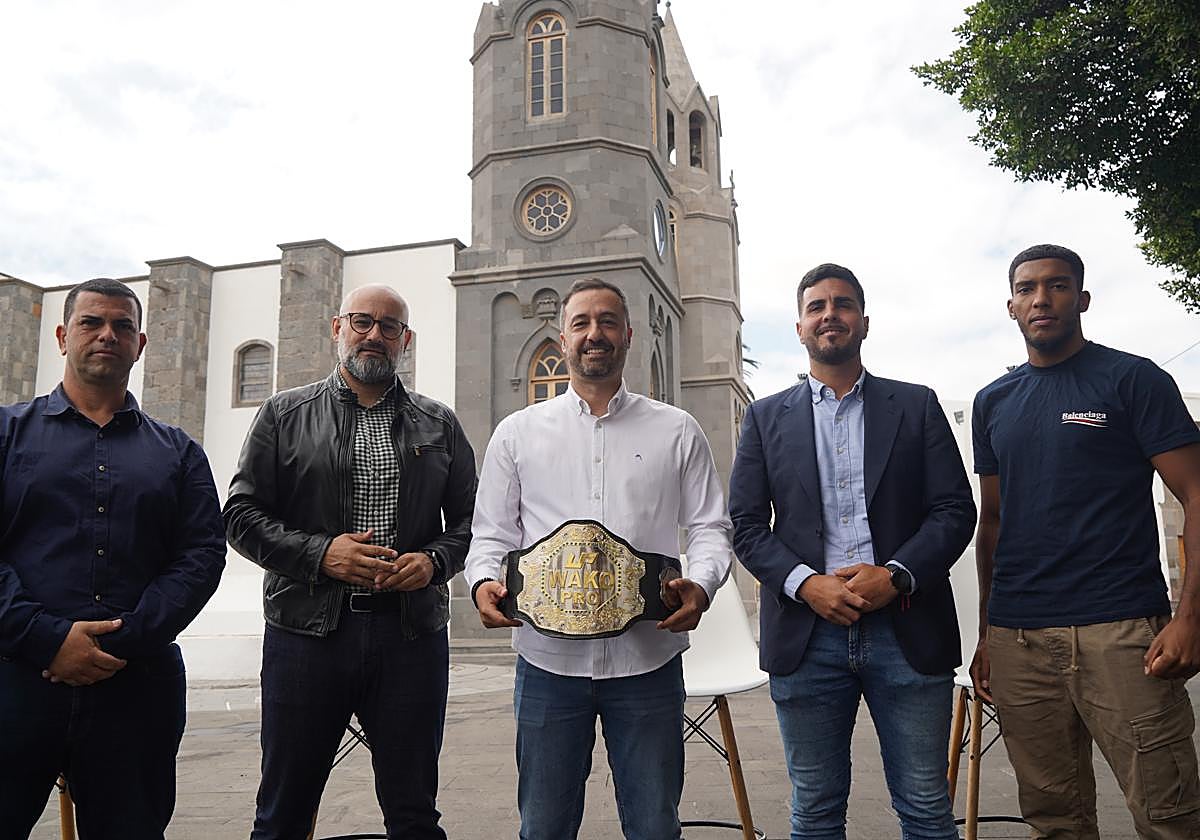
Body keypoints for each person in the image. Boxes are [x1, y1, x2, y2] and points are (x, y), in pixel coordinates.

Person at [465, 277, 733, 840]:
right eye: (582, 323)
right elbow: (490, 535)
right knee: (543, 827)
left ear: (629, 335)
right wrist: (484, 582)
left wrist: (702, 585)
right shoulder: (516, 434)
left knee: (655, 825)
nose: (595, 334)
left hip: (649, 660)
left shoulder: (677, 430)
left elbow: (710, 526)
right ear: (562, 338)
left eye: (608, 322)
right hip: (547, 665)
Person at [729, 263, 976, 839]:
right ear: (799, 327)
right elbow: (745, 525)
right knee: (814, 809)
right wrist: (805, 583)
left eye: (842, 305)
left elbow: (954, 510)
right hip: (806, 634)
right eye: (816, 306)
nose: (829, 315)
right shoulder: (766, 418)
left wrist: (897, 575)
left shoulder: (915, 406)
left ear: (863, 323)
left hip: (907, 630)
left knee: (924, 805)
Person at [224, 284, 477, 840]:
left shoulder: (439, 424)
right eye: (363, 322)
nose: (375, 335)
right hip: (306, 635)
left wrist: (433, 563)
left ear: (404, 340)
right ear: (337, 329)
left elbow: (470, 524)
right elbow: (240, 517)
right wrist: (322, 555)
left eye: (390, 327)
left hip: (410, 636)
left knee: (413, 813)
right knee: (283, 811)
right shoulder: (283, 414)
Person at [971, 243, 1200, 838]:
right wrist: (987, 636)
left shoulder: (1134, 380)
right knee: (1054, 821)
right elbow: (991, 522)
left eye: (1057, 286)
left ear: (1083, 298)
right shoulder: (993, 401)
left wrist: (1190, 617)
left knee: (1169, 815)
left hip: (1121, 633)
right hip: (1019, 640)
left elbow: (1196, 493)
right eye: (1026, 289)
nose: (1041, 299)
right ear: (1011, 305)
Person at [0, 278, 226, 839]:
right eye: (91, 323)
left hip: (136, 691)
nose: (108, 335)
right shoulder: (5, 434)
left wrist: (116, 643)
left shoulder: (178, 452)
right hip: (14, 682)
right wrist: (46, 638)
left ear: (141, 343)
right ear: (62, 335)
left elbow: (201, 556)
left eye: (123, 326)